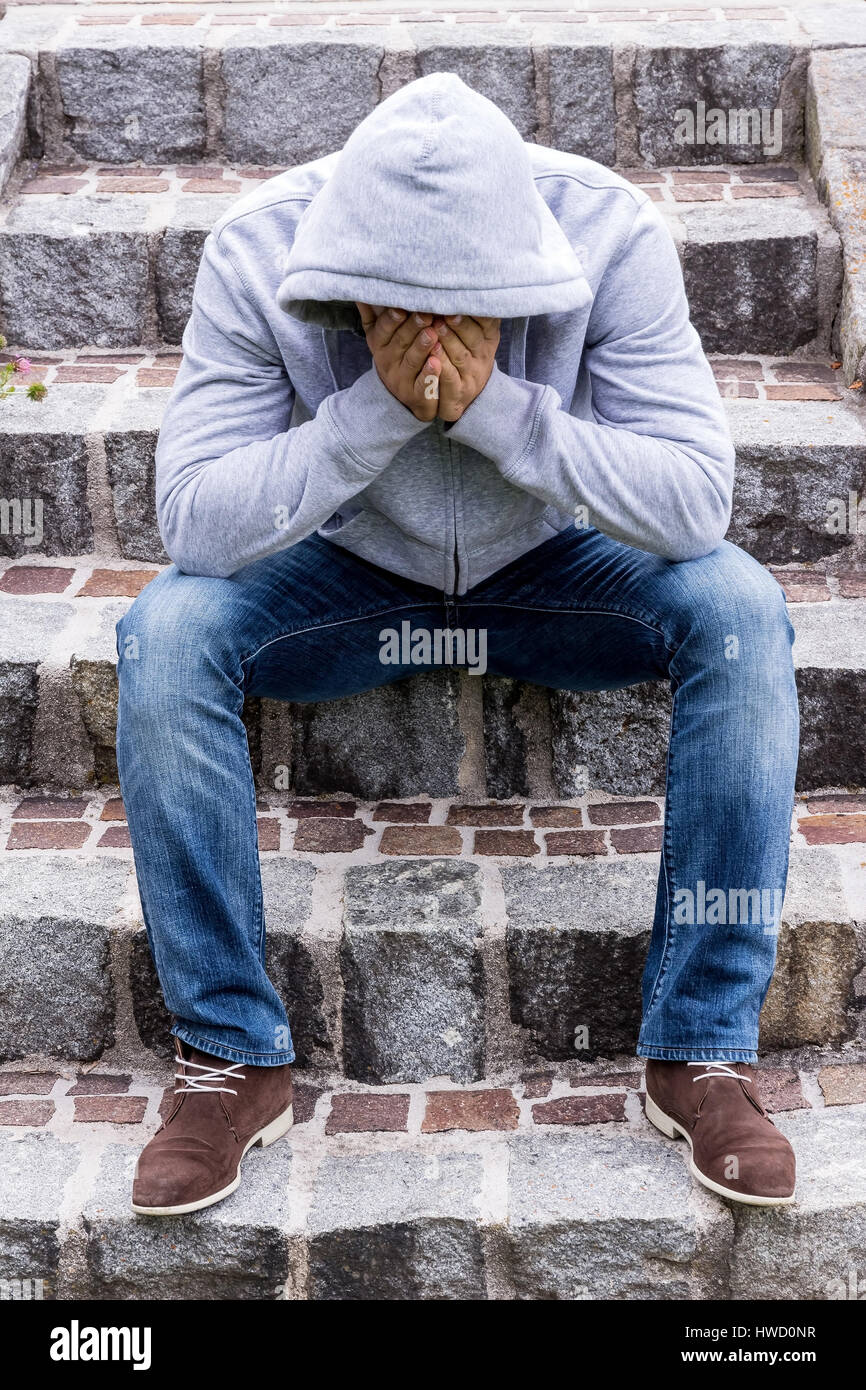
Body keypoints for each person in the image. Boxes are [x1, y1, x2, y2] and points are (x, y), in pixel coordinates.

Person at [117, 73, 798, 1216]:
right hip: (341, 582)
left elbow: (693, 504)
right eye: (388, 306)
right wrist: (374, 412)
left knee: (738, 606)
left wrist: (497, 412)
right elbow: (191, 521)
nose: (430, 328)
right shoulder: (257, 249)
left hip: (550, 575)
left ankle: (702, 1048)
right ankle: (229, 1052)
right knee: (165, 630)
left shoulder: (605, 229)